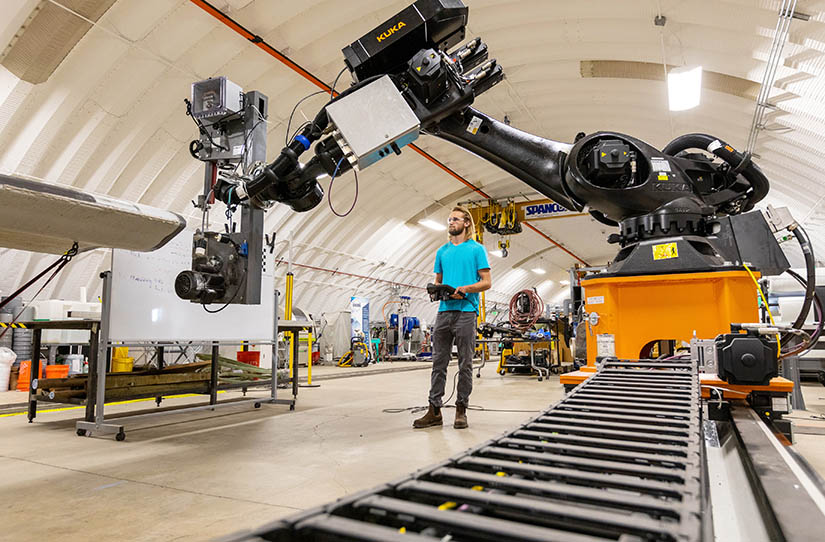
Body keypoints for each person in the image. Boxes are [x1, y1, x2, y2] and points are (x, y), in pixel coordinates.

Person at [414, 206, 491, 429]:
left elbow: (486, 282)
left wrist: (466, 289)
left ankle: (461, 410)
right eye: (449, 220)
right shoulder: (442, 252)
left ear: (466, 223)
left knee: (465, 363)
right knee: (438, 362)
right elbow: (438, 281)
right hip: (444, 312)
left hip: (466, 311)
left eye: (455, 219)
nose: (451, 222)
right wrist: (436, 290)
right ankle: (434, 410)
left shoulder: (477, 249)